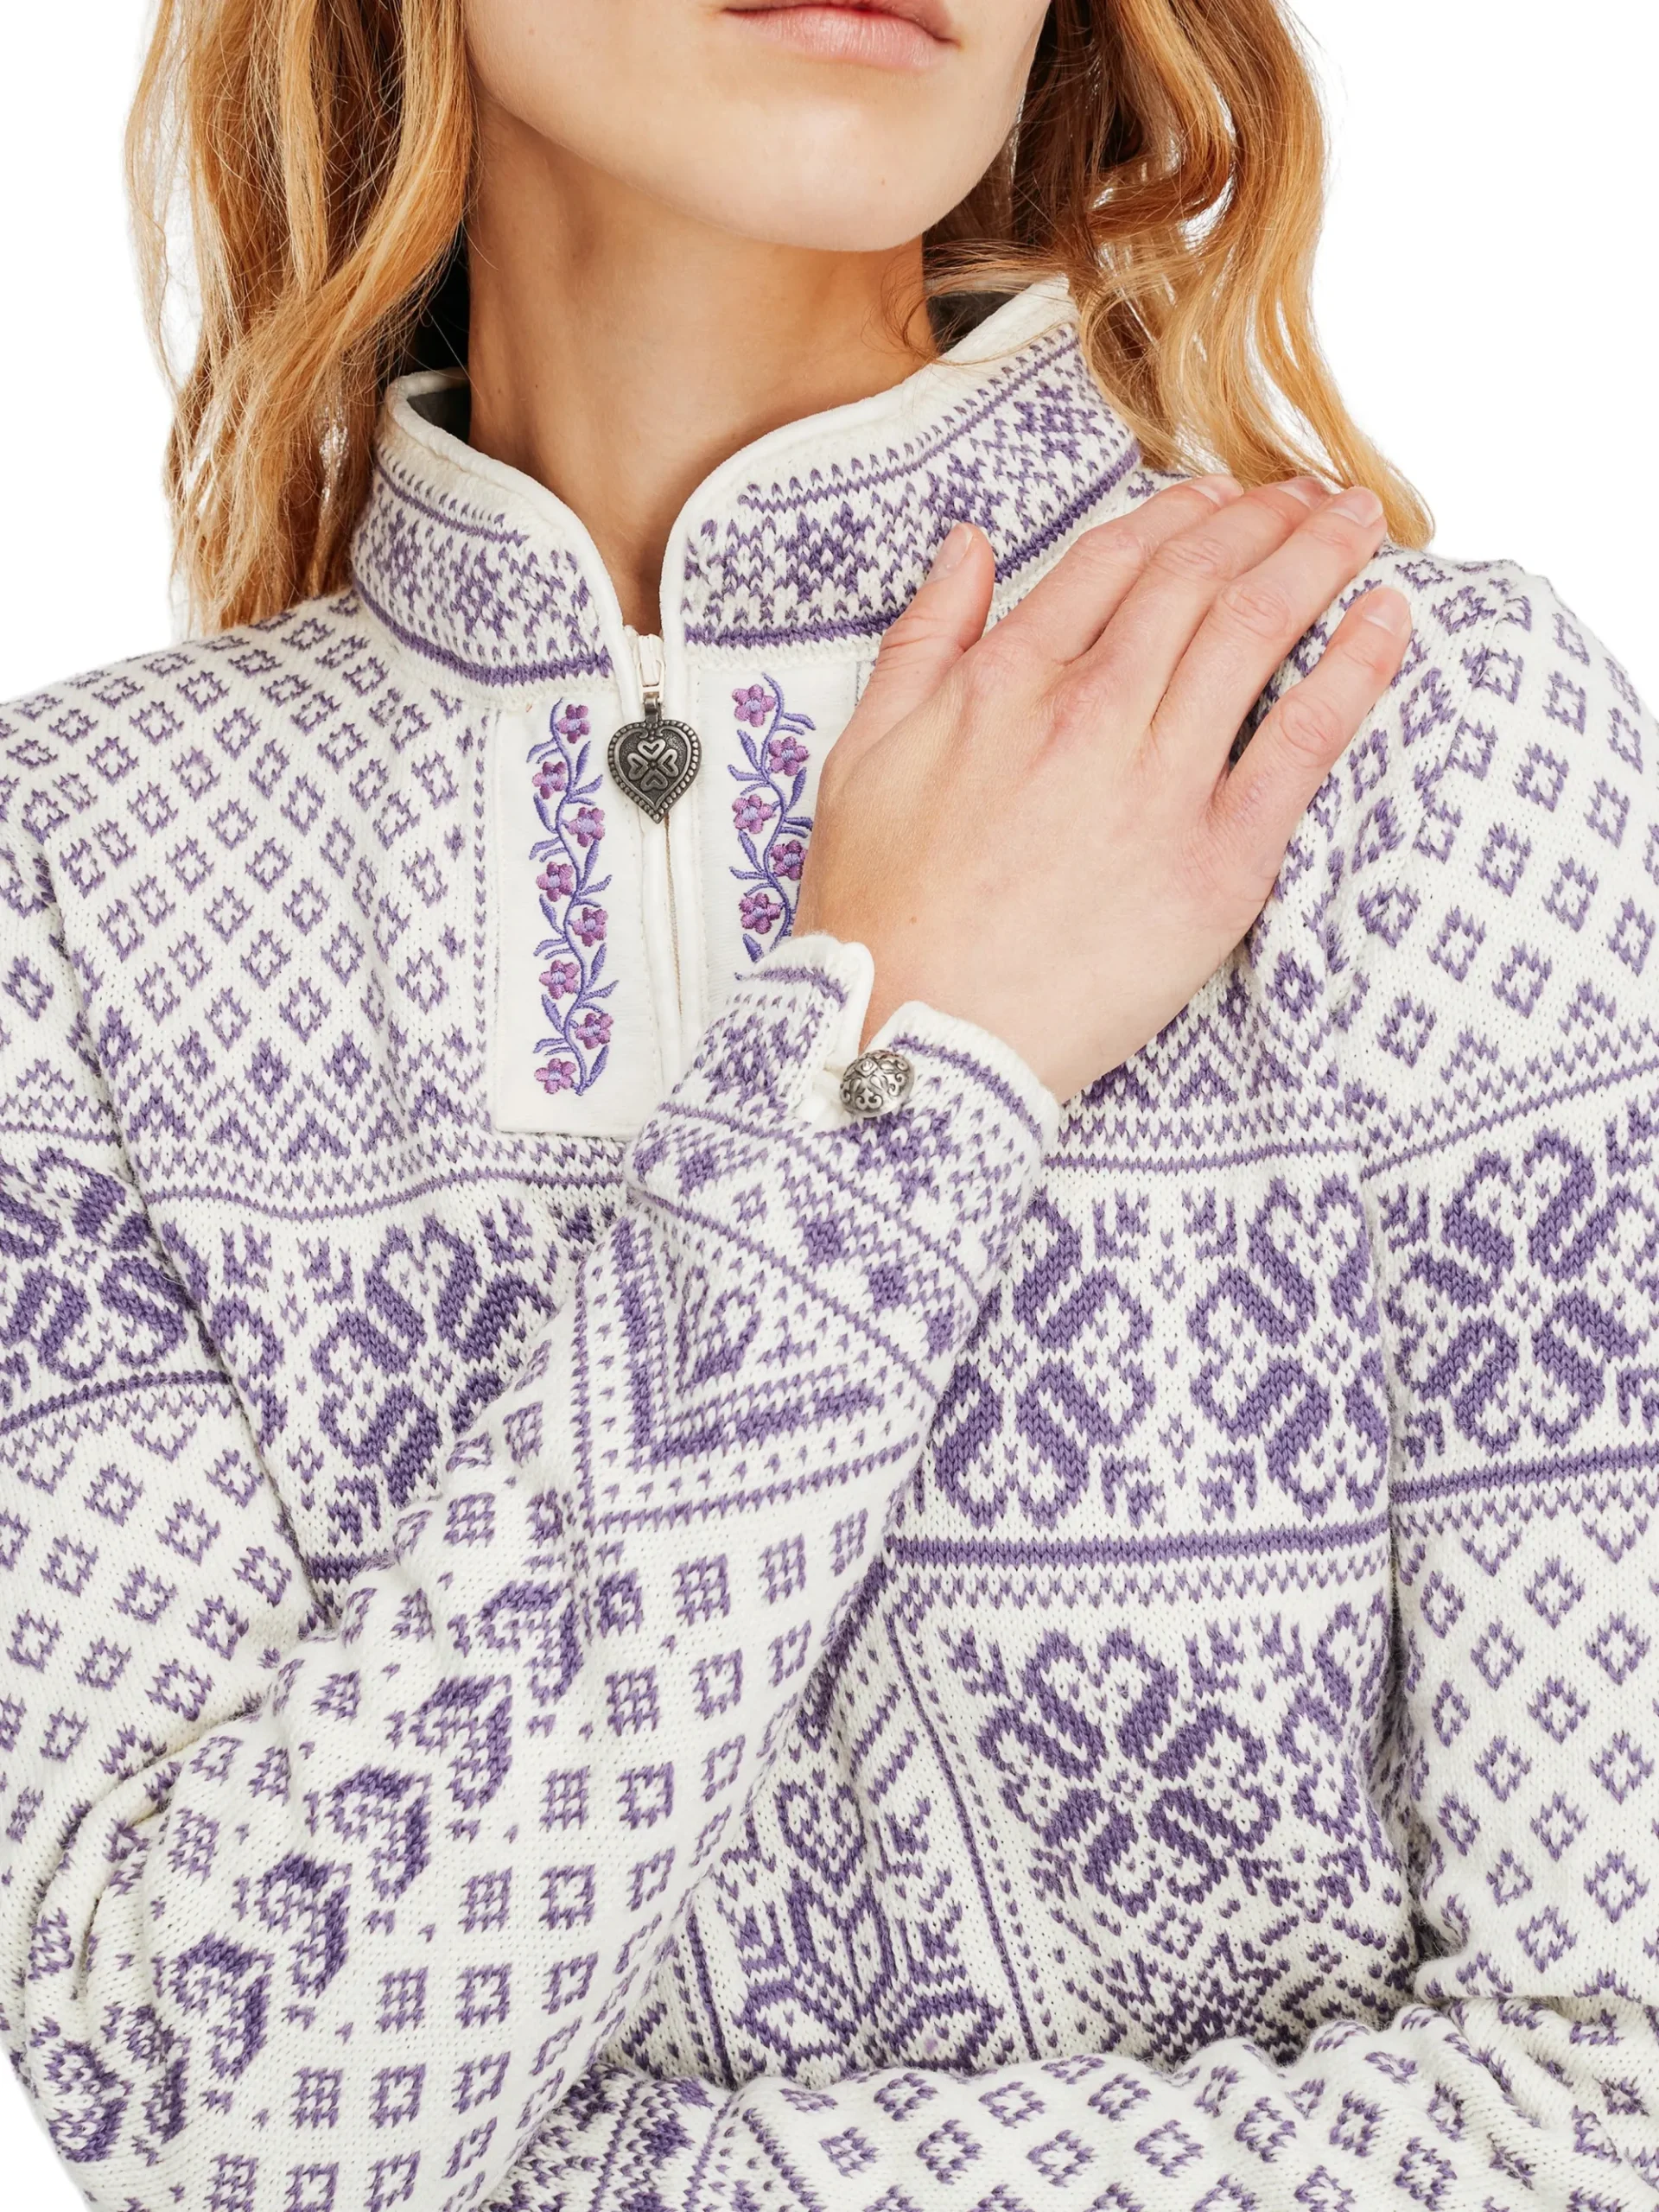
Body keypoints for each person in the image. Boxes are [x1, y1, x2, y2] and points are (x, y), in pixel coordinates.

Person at [3, 3, 1655, 2208]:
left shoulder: (1412, 752)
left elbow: (1615, 2105)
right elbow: (206, 2113)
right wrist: (903, 1069)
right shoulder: (75, 882)